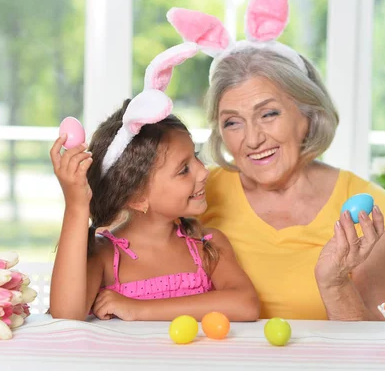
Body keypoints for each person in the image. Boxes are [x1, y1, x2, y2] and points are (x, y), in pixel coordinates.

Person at [167, 0, 385, 321]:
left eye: (269, 114)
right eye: (233, 122)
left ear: (308, 117)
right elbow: (121, 262)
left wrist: (335, 284)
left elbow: (383, 352)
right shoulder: (194, 195)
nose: (252, 139)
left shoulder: (373, 215)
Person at [49, 43, 260, 322]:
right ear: (137, 198)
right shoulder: (105, 255)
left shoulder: (206, 245)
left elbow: (245, 305)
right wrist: (76, 207)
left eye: (195, 157)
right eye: (184, 169)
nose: (203, 171)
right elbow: (66, 315)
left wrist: (139, 309)